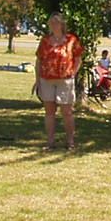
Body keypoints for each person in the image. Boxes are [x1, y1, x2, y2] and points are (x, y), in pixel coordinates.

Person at [35, 12, 83, 151]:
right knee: (49, 112)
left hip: (65, 80)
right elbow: (39, 60)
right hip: (47, 79)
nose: (54, 25)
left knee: (67, 112)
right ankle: (50, 142)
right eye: (52, 23)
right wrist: (37, 80)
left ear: (62, 24)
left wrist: (72, 73)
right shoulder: (45, 41)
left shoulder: (71, 40)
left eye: (56, 22)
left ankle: (70, 141)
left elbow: (78, 59)